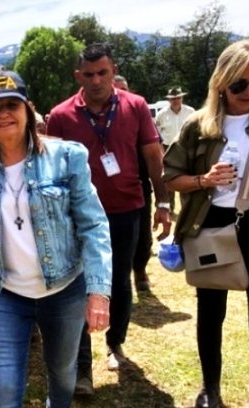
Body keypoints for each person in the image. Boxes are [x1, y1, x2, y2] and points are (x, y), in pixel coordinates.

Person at [0, 70, 112, 408]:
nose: (3, 114)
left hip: (64, 290)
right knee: (4, 390)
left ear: (28, 110)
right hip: (2, 293)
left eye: (11, 105)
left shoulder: (67, 157)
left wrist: (98, 291)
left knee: (62, 375)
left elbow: (94, 226)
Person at [163, 39, 249, 408]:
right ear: (221, 82)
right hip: (214, 223)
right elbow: (171, 176)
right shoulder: (198, 126)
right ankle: (210, 390)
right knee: (211, 313)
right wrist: (205, 180)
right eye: (239, 84)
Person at [46, 43, 171, 395]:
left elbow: (151, 153)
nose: (97, 80)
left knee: (117, 283)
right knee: (79, 287)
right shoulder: (61, 116)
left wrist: (163, 200)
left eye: (103, 72)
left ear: (113, 70)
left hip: (126, 209)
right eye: (89, 74)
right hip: (77, 217)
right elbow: (52, 169)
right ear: (78, 76)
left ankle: (115, 343)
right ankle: (82, 369)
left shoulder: (135, 106)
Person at [113, 74, 153, 292]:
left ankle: (140, 269)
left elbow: (155, 152)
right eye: (116, 89)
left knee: (143, 233)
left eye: (124, 88)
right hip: (109, 187)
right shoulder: (101, 117)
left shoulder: (139, 111)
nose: (121, 94)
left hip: (139, 182)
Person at [156, 86, 195, 215]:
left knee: (186, 178)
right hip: (168, 148)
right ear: (169, 100)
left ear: (182, 98)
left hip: (186, 147)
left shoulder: (191, 112)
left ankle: (186, 209)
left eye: (178, 98)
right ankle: (170, 209)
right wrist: (160, 151)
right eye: (173, 98)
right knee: (169, 178)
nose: (176, 101)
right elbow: (156, 133)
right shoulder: (161, 114)